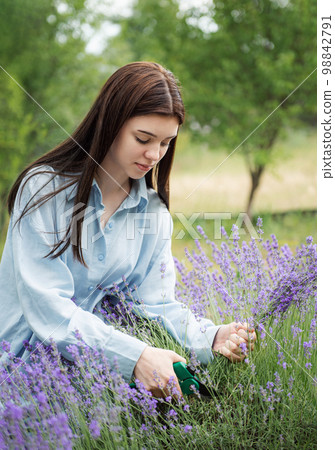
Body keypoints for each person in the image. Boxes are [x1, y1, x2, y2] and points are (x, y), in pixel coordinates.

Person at [0, 62, 255, 397]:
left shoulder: (152, 211)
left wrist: (211, 337)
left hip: (90, 386)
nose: (154, 154)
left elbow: (156, 305)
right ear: (111, 122)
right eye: (143, 138)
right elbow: (48, 308)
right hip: (16, 376)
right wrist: (135, 357)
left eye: (166, 143)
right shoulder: (44, 190)